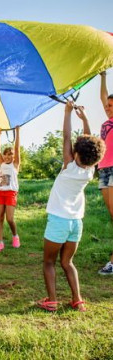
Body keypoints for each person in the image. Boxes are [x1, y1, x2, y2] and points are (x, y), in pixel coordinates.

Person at [37, 101, 105, 312]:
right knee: (68, 262)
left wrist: (66, 112)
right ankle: (78, 300)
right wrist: (84, 118)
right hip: (76, 223)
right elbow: (88, 142)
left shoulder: (68, 166)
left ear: (75, 154)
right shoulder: (90, 171)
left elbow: (66, 138)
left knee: (49, 261)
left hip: (59, 220)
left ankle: (52, 301)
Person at [0, 126, 21, 252]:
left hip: (11, 193)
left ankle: (15, 236)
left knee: (9, 218)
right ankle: (0, 242)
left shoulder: (15, 165)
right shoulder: (2, 164)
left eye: (10, 155)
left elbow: (17, 149)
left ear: (14, 157)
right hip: (0, 192)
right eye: (6, 154)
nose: (8, 157)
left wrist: (18, 132)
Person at [97, 71, 113, 275]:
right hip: (103, 169)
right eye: (108, 105)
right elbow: (103, 96)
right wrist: (102, 76)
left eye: (111, 105)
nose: (108, 108)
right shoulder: (106, 120)